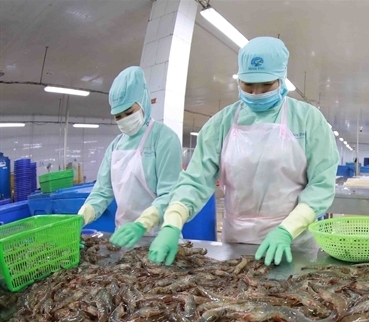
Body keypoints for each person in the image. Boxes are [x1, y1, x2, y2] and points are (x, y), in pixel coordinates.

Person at [146, 37, 339, 266]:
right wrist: (172, 221)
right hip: (236, 243)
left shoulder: (308, 119)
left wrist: (287, 230)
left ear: (281, 79)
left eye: (266, 85)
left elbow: (321, 184)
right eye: (248, 85)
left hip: (292, 242)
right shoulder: (221, 124)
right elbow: (196, 181)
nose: (256, 92)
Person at [77, 67, 183, 247]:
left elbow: (170, 194)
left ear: (143, 102)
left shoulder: (164, 138)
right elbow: (102, 191)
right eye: (118, 116)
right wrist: (82, 217)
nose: (124, 119)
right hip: (123, 237)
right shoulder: (115, 146)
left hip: (159, 236)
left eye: (129, 112)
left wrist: (142, 224)